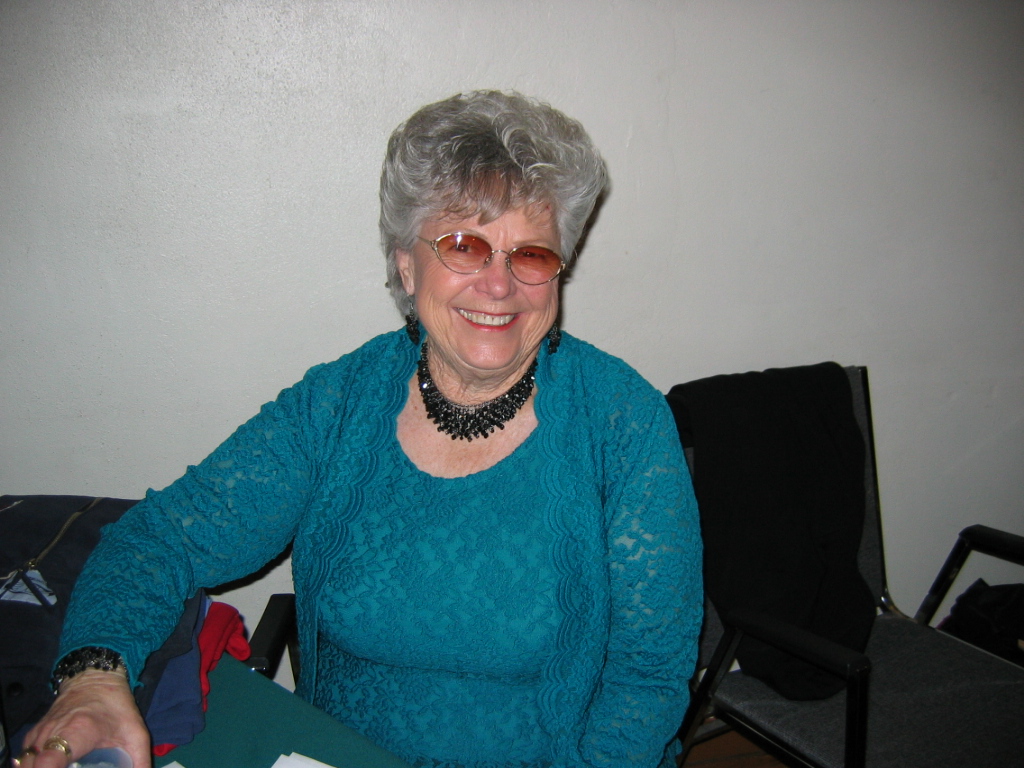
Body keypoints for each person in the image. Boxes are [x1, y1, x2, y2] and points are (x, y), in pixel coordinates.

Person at [18, 90, 702, 768]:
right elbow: (161, 539)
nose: (499, 285)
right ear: (406, 262)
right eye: (464, 246)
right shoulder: (338, 405)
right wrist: (93, 680)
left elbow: (649, 677)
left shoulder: (623, 424)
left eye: (531, 255)